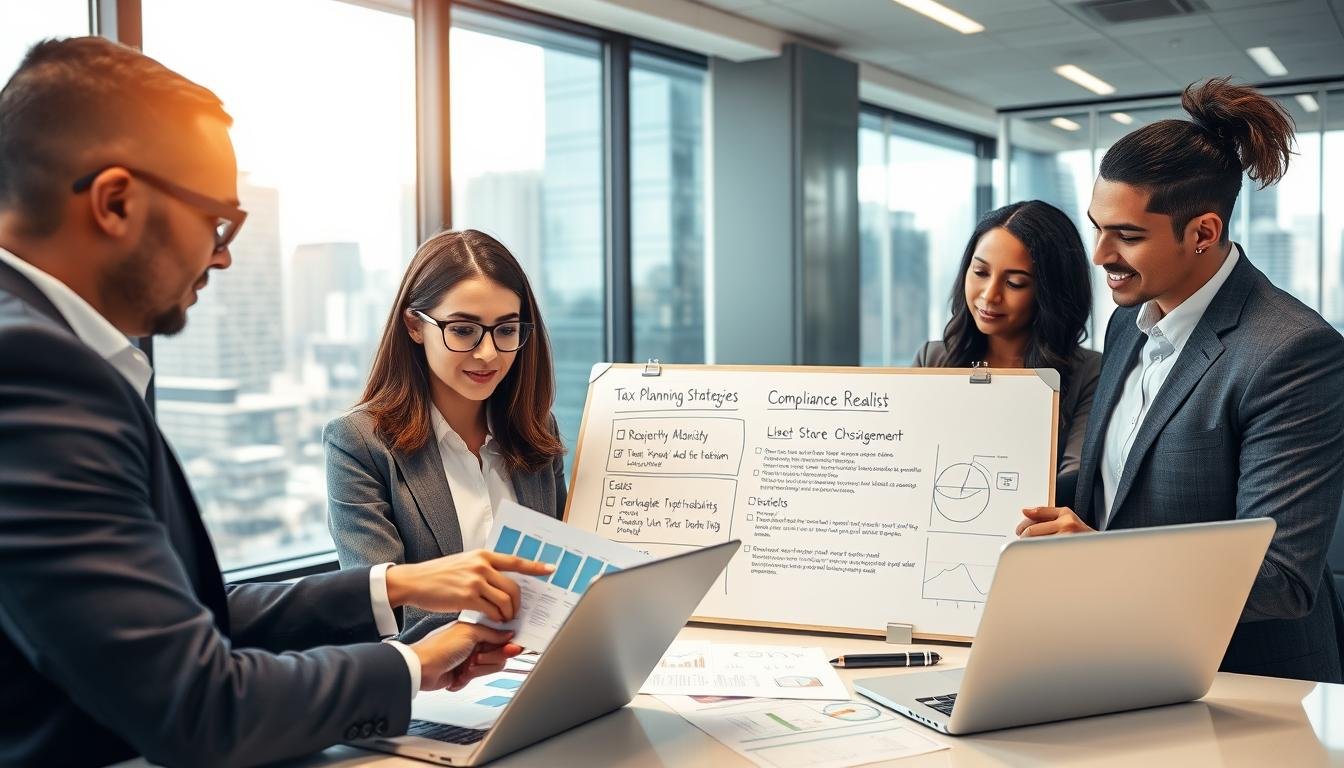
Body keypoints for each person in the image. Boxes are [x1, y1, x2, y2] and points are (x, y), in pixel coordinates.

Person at [0, 37, 552, 767]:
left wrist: (394, 584)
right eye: (217, 222)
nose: (223, 255)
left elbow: (180, 614)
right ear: (116, 202)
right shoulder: (34, 370)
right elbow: (200, 706)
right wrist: (414, 666)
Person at [1016, 78, 1344, 683]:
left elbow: (1282, 577)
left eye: (1128, 236)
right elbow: (1111, 498)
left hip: (1240, 683)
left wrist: (1097, 560)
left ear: (1203, 233)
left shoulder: (1292, 351)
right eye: (1098, 227)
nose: (1100, 254)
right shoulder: (1126, 326)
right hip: (1117, 655)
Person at [325, 229, 567, 641]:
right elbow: (383, 610)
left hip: (539, 667)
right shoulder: (358, 442)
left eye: (506, 330)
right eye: (463, 330)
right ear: (414, 326)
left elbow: (563, 577)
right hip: (435, 686)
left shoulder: (536, 428)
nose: (488, 353)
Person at [914, 200, 1100, 477]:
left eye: (1015, 283)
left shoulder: (1089, 372)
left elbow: (1074, 480)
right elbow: (909, 459)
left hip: (1033, 520)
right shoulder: (933, 359)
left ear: (1051, 292)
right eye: (980, 272)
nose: (990, 295)